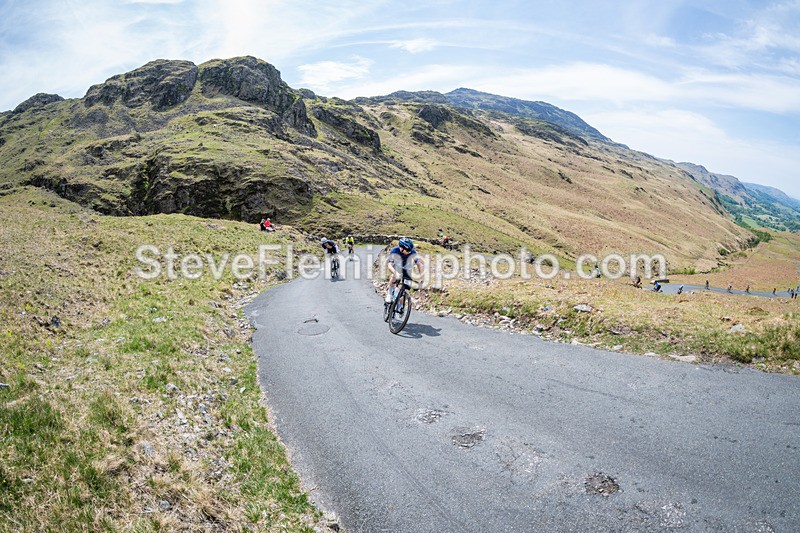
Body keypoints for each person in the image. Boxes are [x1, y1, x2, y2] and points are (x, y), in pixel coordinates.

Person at [385, 237, 423, 309]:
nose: (409, 252)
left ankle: (400, 305)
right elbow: (390, 265)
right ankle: (389, 294)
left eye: (410, 250)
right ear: (402, 248)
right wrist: (395, 273)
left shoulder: (412, 252)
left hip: (407, 270)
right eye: (408, 250)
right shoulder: (395, 251)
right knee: (394, 276)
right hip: (397, 267)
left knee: (406, 290)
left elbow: (419, 264)